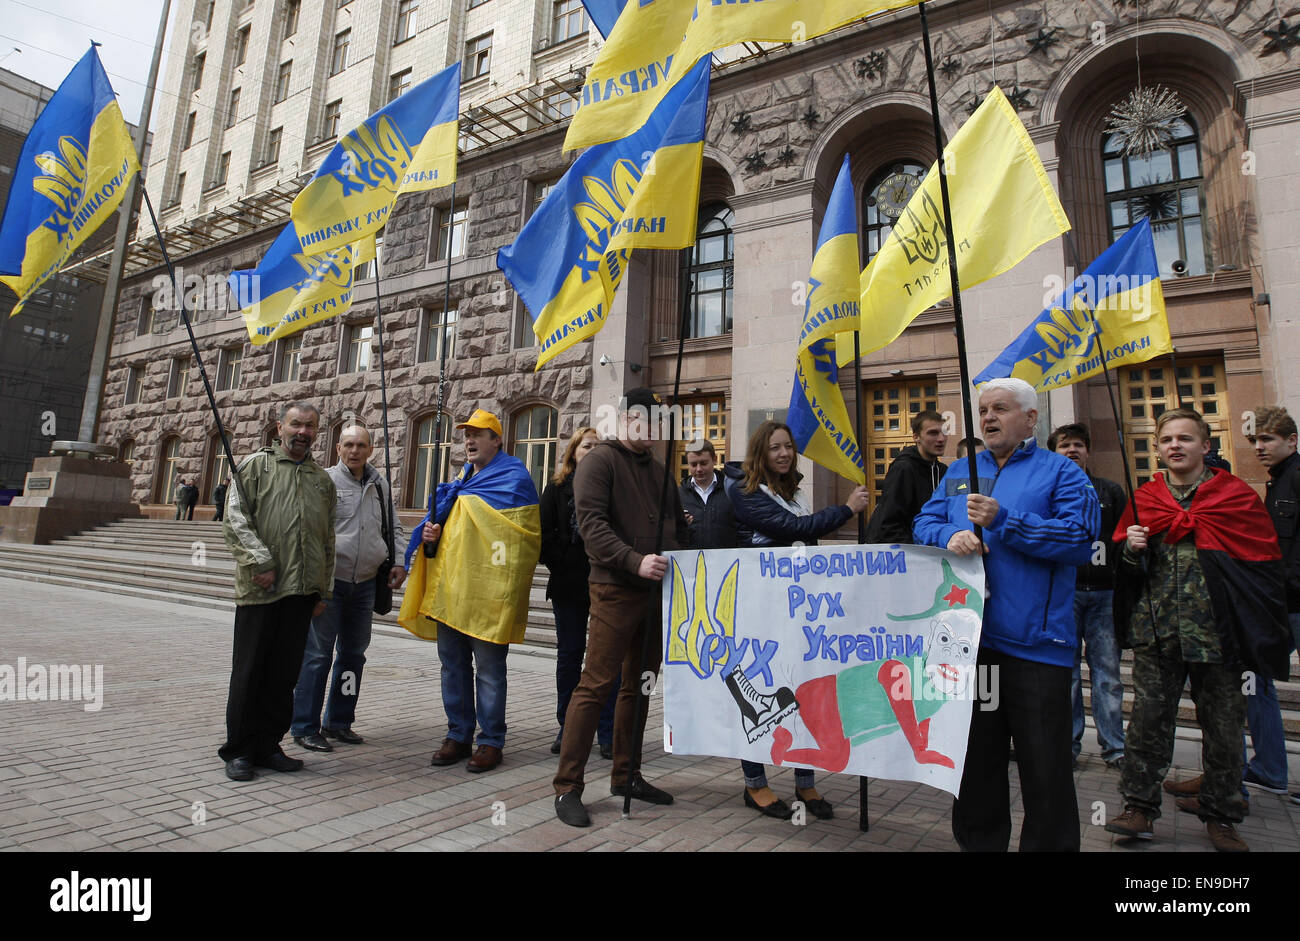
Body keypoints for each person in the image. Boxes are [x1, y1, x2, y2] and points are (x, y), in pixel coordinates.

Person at [913, 377, 1098, 851]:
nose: (989, 417)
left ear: (1031, 418)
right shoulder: (960, 470)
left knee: (1045, 769)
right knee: (977, 763)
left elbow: (1078, 541)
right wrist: (946, 537)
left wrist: (1005, 521)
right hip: (975, 649)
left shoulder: (1062, 473)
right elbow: (924, 521)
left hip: (1036, 651)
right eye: (984, 409)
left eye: (1001, 408)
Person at [1105, 408, 1289, 853]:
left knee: (1224, 730)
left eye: (1185, 439)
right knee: (1148, 724)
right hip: (1158, 634)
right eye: (1167, 439)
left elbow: (1261, 564)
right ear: (1157, 448)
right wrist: (1131, 550)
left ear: (1205, 446)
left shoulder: (1235, 497)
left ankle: (1222, 815)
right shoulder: (1145, 499)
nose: (1175, 446)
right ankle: (1138, 807)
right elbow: (1124, 570)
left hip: (1219, 638)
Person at [553, 388, 688, 828]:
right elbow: (592, 527)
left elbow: (677, 529)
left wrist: (682, 556)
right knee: (596, 684)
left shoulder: (662, 472)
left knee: (641, 684)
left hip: (655, 594)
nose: (652, 432)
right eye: (645, 422)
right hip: (614, 589)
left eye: (658, 424)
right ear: (626, 420)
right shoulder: (599, 462)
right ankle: (568, 787)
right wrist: (635, 560)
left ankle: (627, 774)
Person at [723, 420, 871, 820]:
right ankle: (755, 784)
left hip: (798, 608)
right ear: (761, 453)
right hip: (761, 609)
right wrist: (846, 509)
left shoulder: (796, 492)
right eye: (775, 448)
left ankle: (805, 782)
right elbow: (792, 529)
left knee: (805, 691)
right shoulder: (746, 492)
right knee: (761, 692)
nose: (784, 453)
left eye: (788, 446)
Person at [402, 409, 540, 774]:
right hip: (452, 589)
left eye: (479, 434)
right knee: (453, 666)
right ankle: (458, 735)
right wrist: (432, 534)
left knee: (490, 672)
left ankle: (491, 741)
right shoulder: (460, 481)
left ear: (497, 440)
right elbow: (447, 532)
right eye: (466, 434)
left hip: (490, 594)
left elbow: (523, 539)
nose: (470, 440)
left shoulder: (514, 479)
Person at [218, 402, 335, 781]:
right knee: (250, 670)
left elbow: (327, 539)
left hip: (302, 593)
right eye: (296, 424)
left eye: (310, 426)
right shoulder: (255, 467)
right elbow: (235, 518)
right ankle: (239, 749)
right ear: (279, 427)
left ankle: (269, 744)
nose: (303, 432)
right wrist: (260, 561)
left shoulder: (321, 480)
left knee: (285, 674)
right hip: (261, 589)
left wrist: (323, 591)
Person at [291, 424, 406, 753]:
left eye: (361, 445)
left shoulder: (380, 484)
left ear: (371, 450)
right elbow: (309, 530)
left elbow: (392, 526)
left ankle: (340, 722)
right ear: (338, 448)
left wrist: (398, 561)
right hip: (331, 583)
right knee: (317, 656)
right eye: (349, 445)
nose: (354, 451)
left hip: (366, 583)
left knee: (354, 656)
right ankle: (305, 726)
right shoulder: (324, 480)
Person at [1048, 422, 1127, 770]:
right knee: (1065, 676)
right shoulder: (1047, 492)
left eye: (1078, 445)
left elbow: (1124, 542)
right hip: (1066, 594)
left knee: (1107, 674)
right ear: (1054, 453)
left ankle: (1115, 748)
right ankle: (1066, 746)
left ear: (1088, 451)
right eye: (1064, 446)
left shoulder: (1110, 491)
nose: (1072, 451)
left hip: (1104, 596)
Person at [540, 426, 617, 760]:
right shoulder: (556, 489)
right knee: (570, 656)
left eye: (598, 447)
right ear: (573, 453)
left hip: (607, 584)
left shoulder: (613, 490)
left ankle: (607, 731)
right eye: (587, 446)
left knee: (605, 660)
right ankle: (567, 726)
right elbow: (544, 537)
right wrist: (565, 561)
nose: (593, 451)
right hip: (569, 584)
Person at [1248, 406, 1300, 805]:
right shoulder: (1276, 483)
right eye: (1255, 440)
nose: (1259, 447)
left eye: (1267, 439)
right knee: (1256, 680)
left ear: (1292, 440)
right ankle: (1269, 769)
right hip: (1278, 604)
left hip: (1293, 602)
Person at [865, 410, 947, 544]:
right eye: (933, 433)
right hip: (900, 554)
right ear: (916, 437)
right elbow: (890, 522)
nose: (941, 439)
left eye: (944, 432)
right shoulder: (903, 468)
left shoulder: (943, 471)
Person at [679, 438, 737, 550]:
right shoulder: (678, 495)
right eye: (693, 464)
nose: (699, 469)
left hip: (727, 563)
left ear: (714, 460)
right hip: (690, 563)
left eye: (703, 463)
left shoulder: (731, 490)